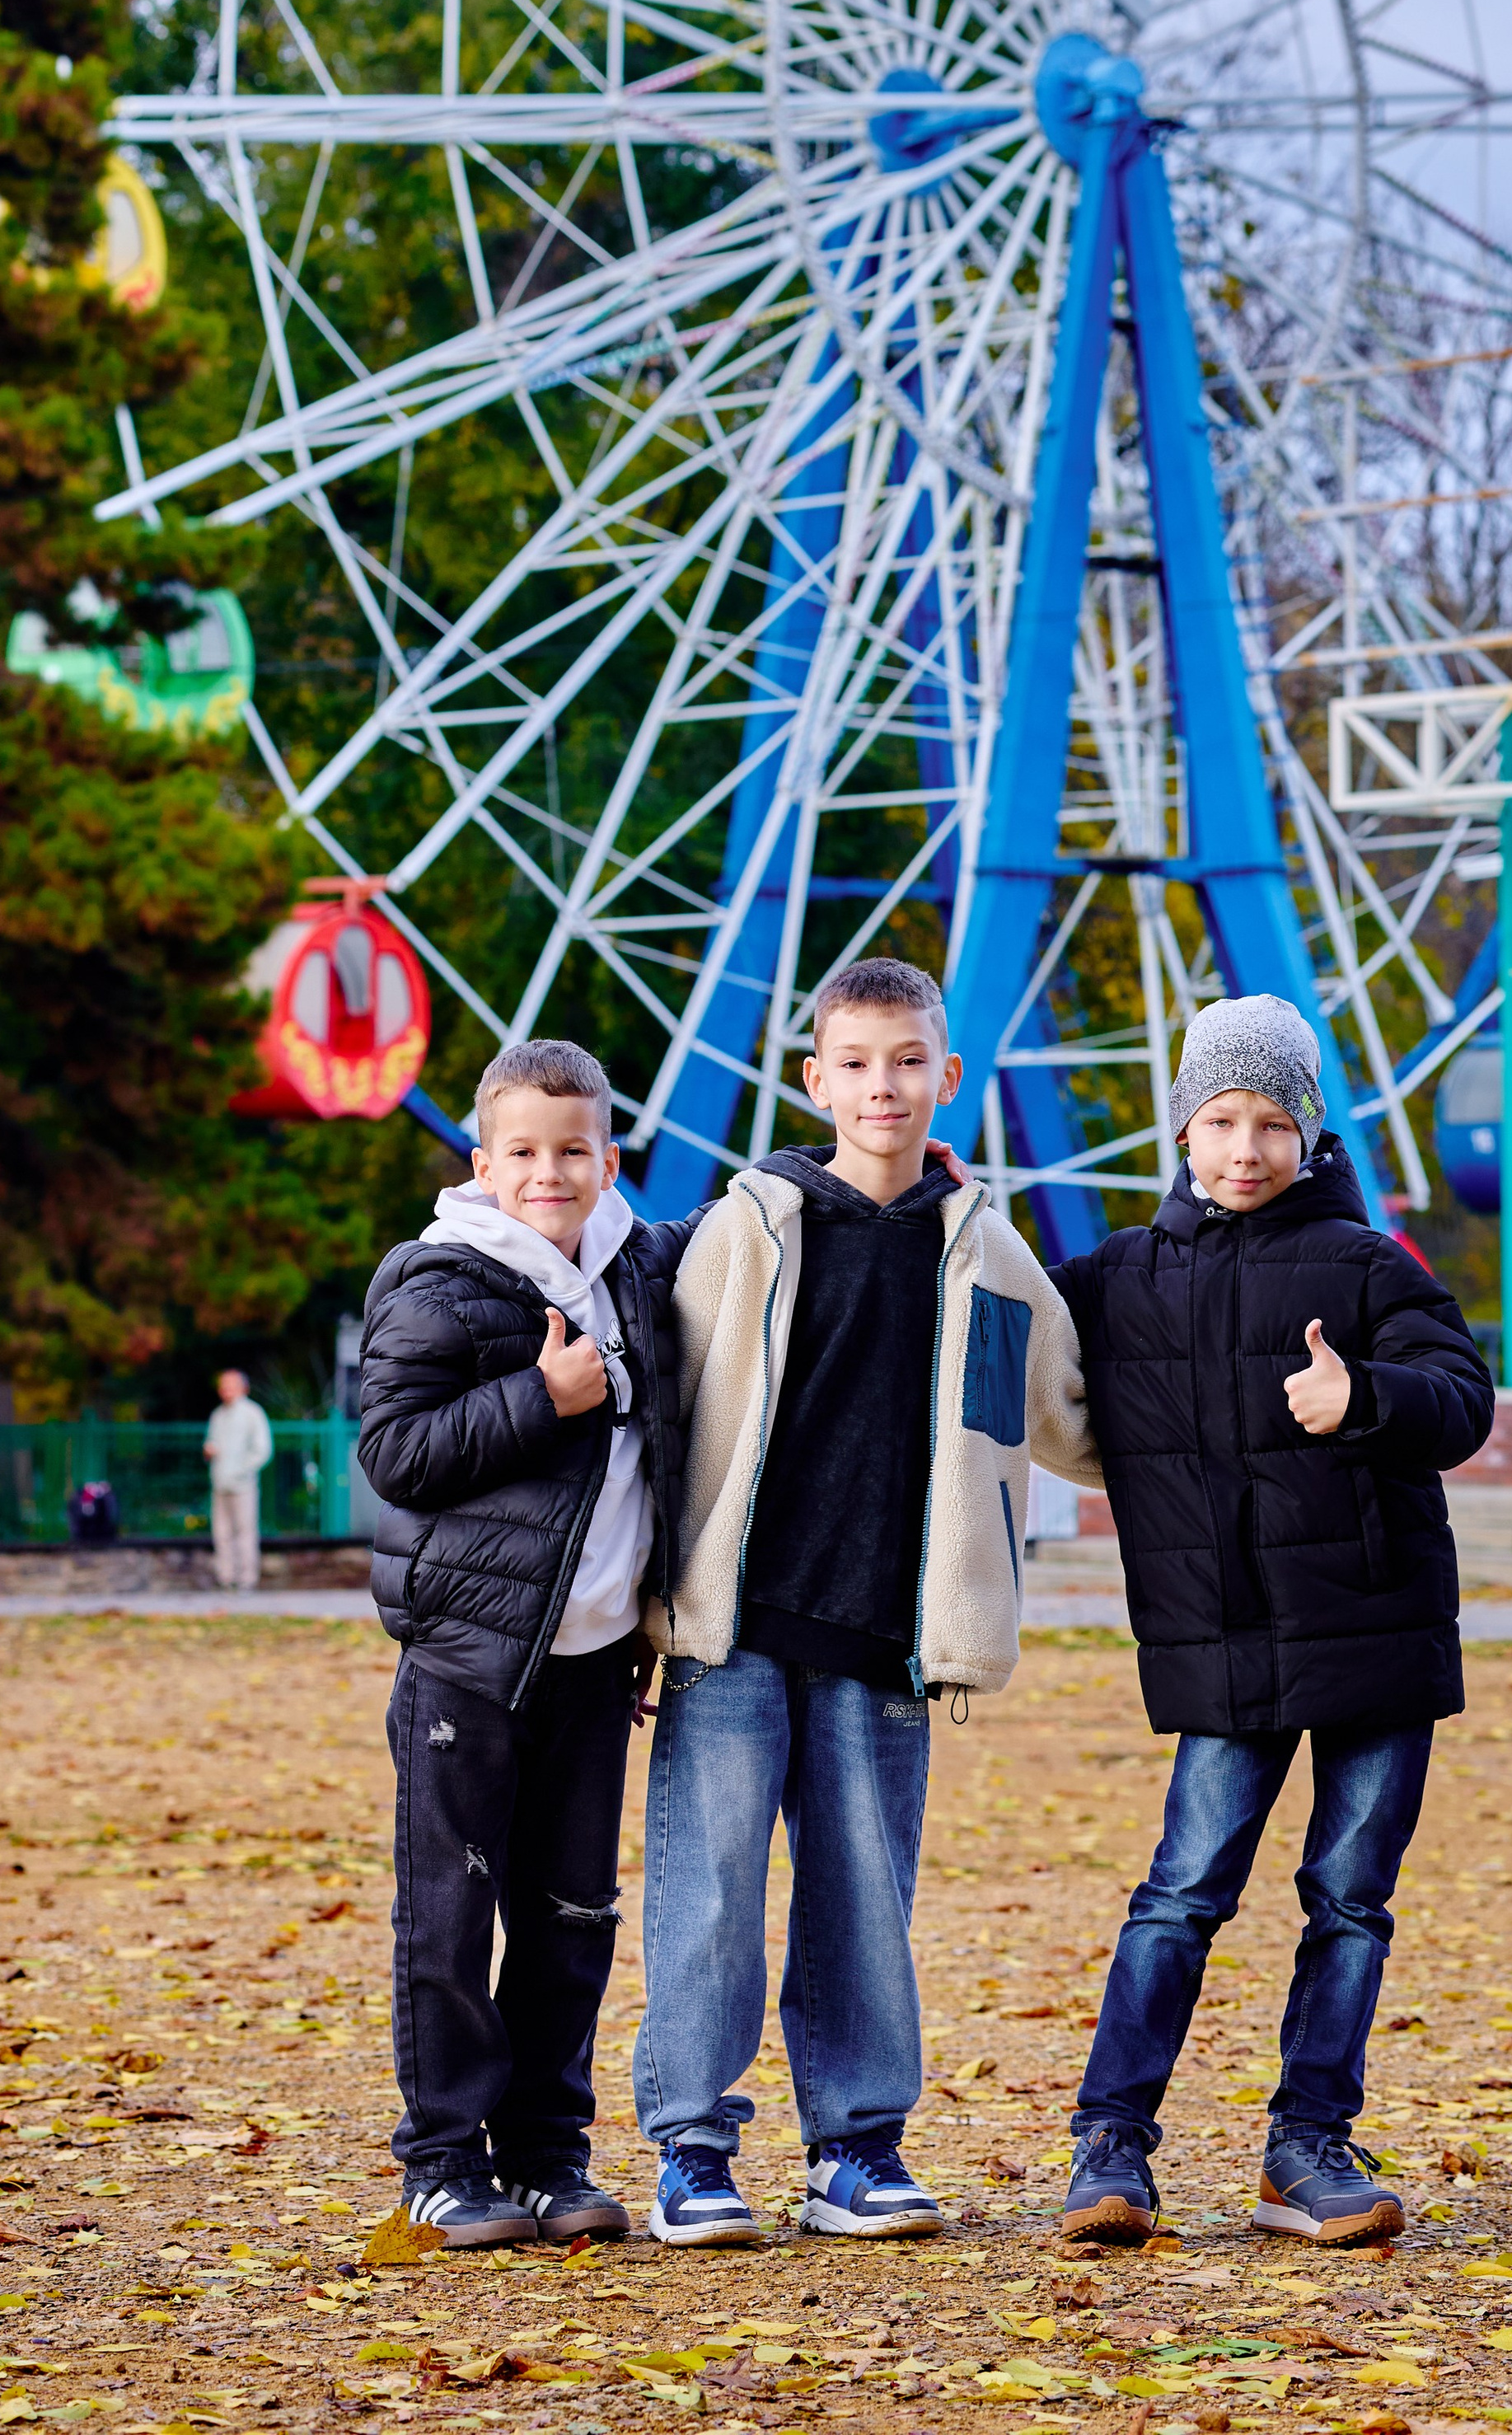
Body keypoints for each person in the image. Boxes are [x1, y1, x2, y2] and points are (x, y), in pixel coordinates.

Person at [633, 956, 1097, 2250]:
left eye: (907, 1062)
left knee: (862, 1896)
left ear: (948, 1077)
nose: (881, 1086)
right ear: (815, 1078)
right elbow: (660, 1405)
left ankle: (856, 2148)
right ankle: (694, 2148)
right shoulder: (747, 1229)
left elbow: (1062, 1418)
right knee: (710, 1887)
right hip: (735, 1623)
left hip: (892, 1635)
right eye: (855, 1062)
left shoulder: (993, 1260)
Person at [1049, 995, 1492, 2250]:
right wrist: (954, 1201)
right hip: (1224, 1639)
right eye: (1220, 1121)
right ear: (1182, 1130)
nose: (1245, 1149)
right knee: (1180, 1897)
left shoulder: (1367, 1265)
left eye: (1272, 1123)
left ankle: (1309, 2146)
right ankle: (1111, 2146)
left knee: (1349, 1900)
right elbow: (1001, 1314)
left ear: (1309, 1131)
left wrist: (1367, 1397)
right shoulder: (1119, 1280)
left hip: (1376, 1632)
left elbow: (1462, 1400)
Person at [356, 1037, 695, 2251]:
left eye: (572, 1152)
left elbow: (765, 1231)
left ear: (609, 1160)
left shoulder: (643, 1269)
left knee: (571, 1918)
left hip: (598, 1663)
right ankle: (443, 2163)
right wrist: (538, 1403)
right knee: (448, 1917)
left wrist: (905, 1165)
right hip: (469, 1662)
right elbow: (393, 1454)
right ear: (482, 1161)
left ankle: (548, 2155)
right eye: (522, 1152)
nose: (548, 1173)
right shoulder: (435, 1280)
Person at [204, 1367, 272, 1591]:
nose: (226, 1389)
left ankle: (246, 1580)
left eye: (231, 1384)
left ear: (243, 1387)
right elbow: (212, 1445)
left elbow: (262, 1450)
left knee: (245, 1532)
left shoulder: (253, 1413)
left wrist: (242, 1470)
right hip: (220, 1483)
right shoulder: (218, 1415)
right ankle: (226, 1578)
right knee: (222, 1534)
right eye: (223, 1385)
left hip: (243, 1485)